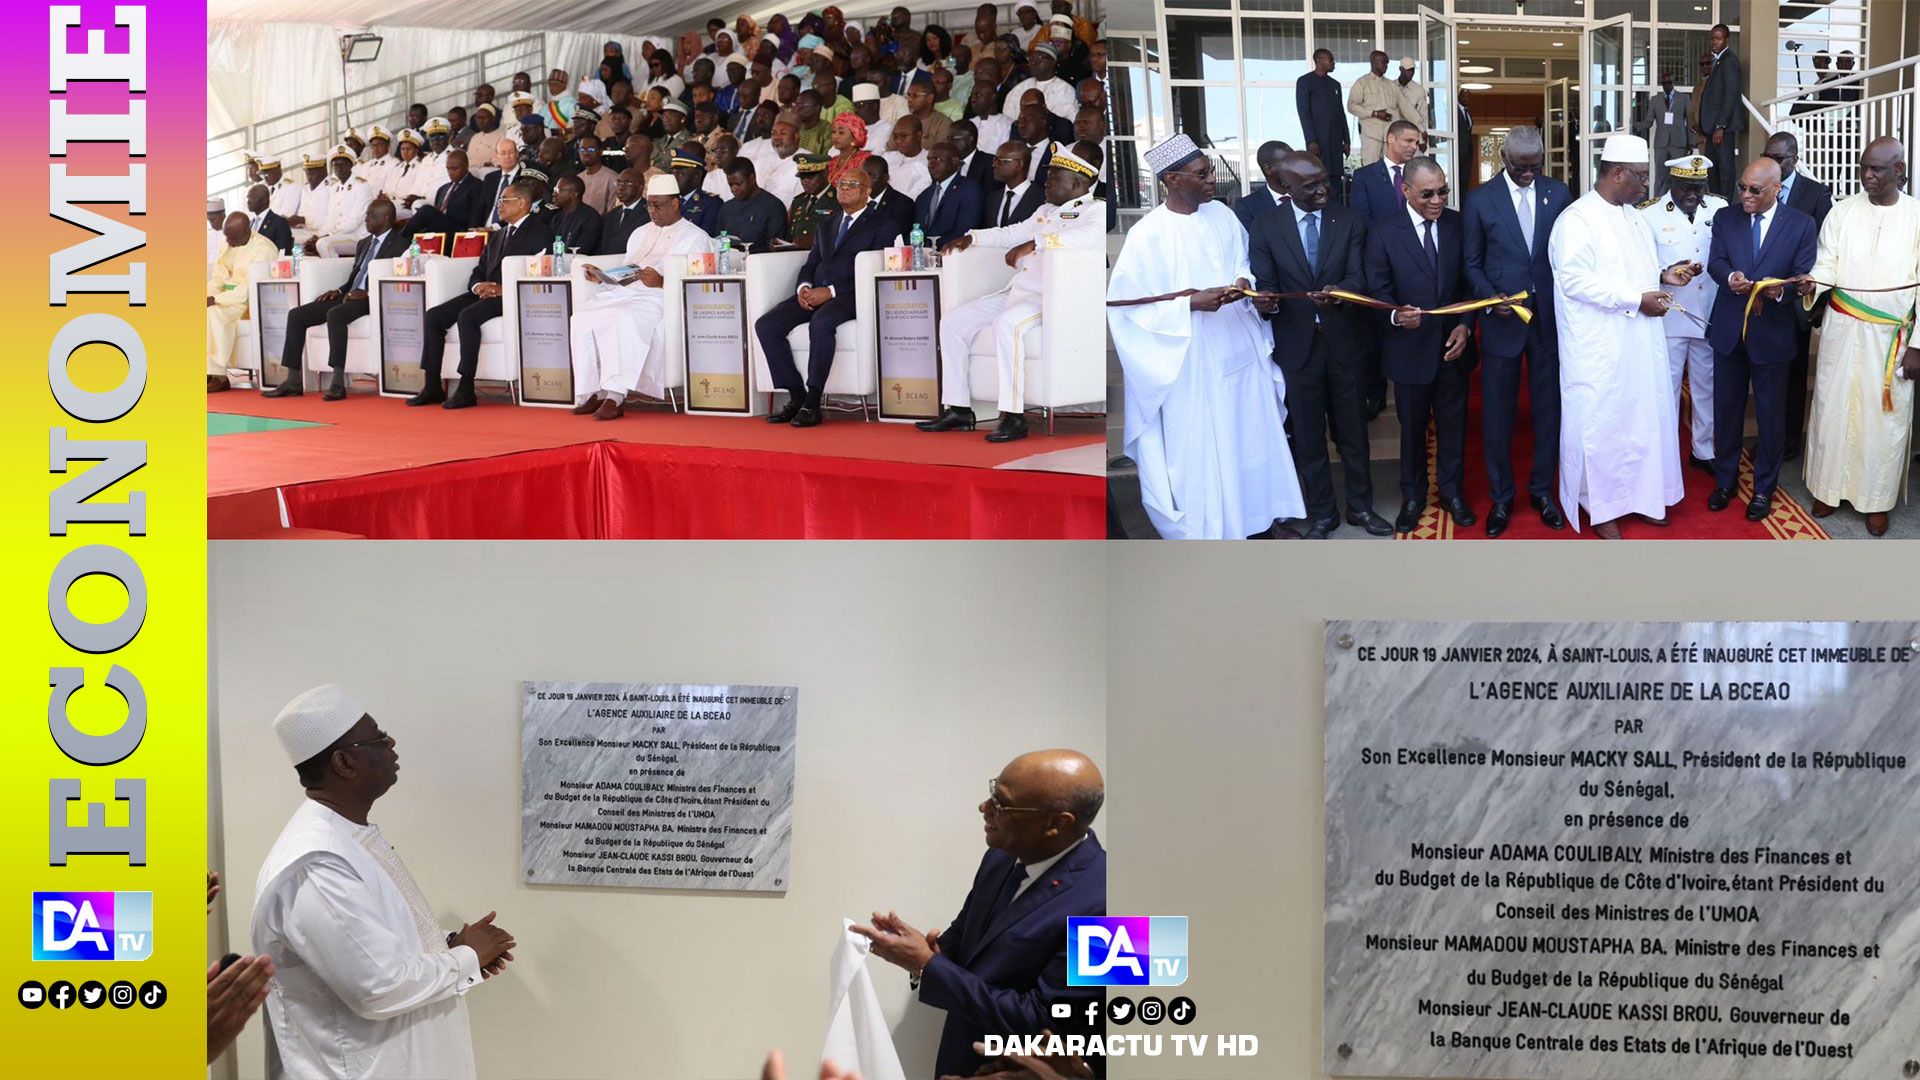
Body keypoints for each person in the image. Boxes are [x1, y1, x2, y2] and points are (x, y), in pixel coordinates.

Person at [251, 685, 517, 1080]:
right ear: (343, 762)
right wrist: (466, 958)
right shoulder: (315, 862)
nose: (391, 744)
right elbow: (376, 987)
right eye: (377, 737)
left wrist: (447, 945)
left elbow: (370, 944)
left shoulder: (347, 837)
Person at [851, 750, 1106, 1080]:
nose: (984, 808)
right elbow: (964, 944)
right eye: (992, 793)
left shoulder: (1117, 908)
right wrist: (928, 955)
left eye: (1001, 803)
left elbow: (1045, 1022)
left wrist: (928, 965)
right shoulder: (1000, 859)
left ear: (1057, 824)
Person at [1109, 133, 1304, 539]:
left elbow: (1243, 262)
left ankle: (1261, 520)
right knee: (1207, 447)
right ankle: (1217, 530)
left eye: (1210, 169)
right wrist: (1191, 304)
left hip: (1239, 344)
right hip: (1190, 361)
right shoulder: (1147, 234)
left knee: (1252, 436)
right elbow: (1126, 309)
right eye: (1201, 174)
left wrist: (1241, 281)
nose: (1212, 179)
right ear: (1172, 179)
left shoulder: (1223, 215)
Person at [1548, 134, 1692, 538]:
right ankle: (1600, 506)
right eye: (1642, 177)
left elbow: (1632, 269)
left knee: (1642, 418)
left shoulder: (1634, 217)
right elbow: (1574, 281)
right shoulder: (1577, 220)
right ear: (1615, 174)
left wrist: (1663, 276)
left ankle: (1643, 497)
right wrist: (1634, 300)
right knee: (1602, 423)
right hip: (1600, 345)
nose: (1647, 185)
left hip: (1640, 342)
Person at [1247, 151, 1390, 538]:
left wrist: (1343, 291)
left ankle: (1361, 508)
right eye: (1309, 186)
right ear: (1285, 186)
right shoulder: (1265, 227)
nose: (1322, 189)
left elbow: (1361, 274)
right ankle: (1323, 513)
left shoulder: (1350, 220)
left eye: (1323, 179)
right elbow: (1265, 282)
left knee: (1353, 434)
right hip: (1297, 349)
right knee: (1309, 438)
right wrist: (1265, 303)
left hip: (1346, 343)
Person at [923, 142, 1104, 442]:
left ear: (1076, 182)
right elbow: (1011, 232)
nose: (1045, 183)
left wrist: (1038, 243)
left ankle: (1013, 416)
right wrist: (972, 238)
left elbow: (1087, 238)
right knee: (953, 321)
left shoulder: (1095, 210)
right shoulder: (1046, 211)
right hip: (1017, 292)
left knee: (1007, 325)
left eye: (1053, 178)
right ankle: (958, 407)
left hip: (1050, 298)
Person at [1802, 137, 1920, 536]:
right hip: (1843, 330)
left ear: (1899, 170)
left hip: (1891, 341)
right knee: (1832, 410)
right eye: (1863, 167)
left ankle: (1876, 500)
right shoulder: (1842, 212)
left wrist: (1918, 345)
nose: (1866, 176)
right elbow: (1826, 264)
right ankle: (1827, 489)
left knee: (1882, 420)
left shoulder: (1917, 217)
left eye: (1876, 169)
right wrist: (1812, 284)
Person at [1463, 126, 1570, 536]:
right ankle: (1502, 498)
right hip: (1502, 323)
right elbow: (1470, 263)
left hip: (1546, 322)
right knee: (1498, 416)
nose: (1529, 174)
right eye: (1521, 167)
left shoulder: (1558, 194)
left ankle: (1542, 492)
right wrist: (1492, 298)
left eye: (1535, 166)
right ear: (1504, 158)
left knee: (1548, 413)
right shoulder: (1479, 200)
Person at [1704, 157, 1818, 522]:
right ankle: (1725, 481)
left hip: (1772, 335)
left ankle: (1764, 489)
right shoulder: (1726, 217)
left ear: (1777, 190)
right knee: (1726, 412)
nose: (1745, 195)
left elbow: (1803, 274)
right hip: (1728, 332)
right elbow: (1715, 261)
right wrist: (1730, 276)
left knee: (1770, 419)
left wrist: (1780, 292)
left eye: (1755, 190)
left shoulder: (1801, 224)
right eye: (1742, 187)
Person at [1365, 156, 1475, 533]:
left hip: (1452, 347)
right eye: (1427, 193)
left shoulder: (1460, 224)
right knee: (1411, 431)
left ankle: (1452, 493)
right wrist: (1395, 315)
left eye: (1443, 190)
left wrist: (1465, 326)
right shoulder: (1382, 232)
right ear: (1406, 190)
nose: (1437, 200)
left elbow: (1470, 284)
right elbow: (1377, 289)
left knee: (1453, 426)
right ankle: (1412, 497)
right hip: (1409, 349)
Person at [753, 165, 895, 427]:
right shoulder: (828, 222)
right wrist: (803, 287)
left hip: (851, 294)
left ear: (867, 192)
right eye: (841, 184)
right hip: (815, 291)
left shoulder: (882, 223)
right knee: (767, 324)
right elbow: (811, 261)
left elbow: (875, 269)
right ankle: (796, 395)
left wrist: (829, 292)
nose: (843, 189)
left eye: (852, 185)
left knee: (822, 322)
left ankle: (813, 401)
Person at [568, 174, 713, 420]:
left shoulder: (695, 236)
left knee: (622, 318)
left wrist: (662, 281)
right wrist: (603, 277)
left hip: (658, 298)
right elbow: (627, 269)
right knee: (581, 317)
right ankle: (593, 391)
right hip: (624, 292)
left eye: (658, 205)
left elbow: (697, 280)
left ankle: (615, 396)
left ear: (675, 203)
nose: (652, 211)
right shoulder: (640, 232)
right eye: (649, 204)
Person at [411, 181, 556, 409]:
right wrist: (478, 286)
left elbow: (539, 272)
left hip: (512, 296)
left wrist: (503, 289)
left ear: (522, 203)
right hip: (484, 292)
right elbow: (478, 270)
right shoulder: (498, 235)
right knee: (433, 316)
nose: (499, 205)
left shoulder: (541, 233)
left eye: (504, 200)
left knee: (467, 317)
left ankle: (467, 387)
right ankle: (432, 386)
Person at [267, 198, 415, 401]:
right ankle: (293, 379)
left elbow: (396, 281)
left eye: (371, 216)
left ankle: (337, 382)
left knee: (335, 314)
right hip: (350, 295)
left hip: (373, 299)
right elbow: (354, 278)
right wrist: (337, 290)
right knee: (296, 315)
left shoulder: (401, 245)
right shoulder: (364, 244)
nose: (366, 220)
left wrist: (369, 293)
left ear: (386, 217)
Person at [1638, 154, 1726, 477]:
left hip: (1706, 315)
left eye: (1698, 187)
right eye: (1686, 187)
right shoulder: (1648, 215)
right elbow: (1639, 264)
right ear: (1671, 182)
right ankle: (1664, 454)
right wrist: (1664, 273)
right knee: (1667, 388)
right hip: (1670, 316)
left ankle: (1702, 450)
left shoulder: (1717, 209)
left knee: (1706, 386)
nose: (1693, 194)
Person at [1762, 129, 1833, 460]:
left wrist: (1818, 300)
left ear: (1794, 159)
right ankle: (1767, 438)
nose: (1772, 164)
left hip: (1798, 302)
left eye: (1778, 159)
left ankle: (1790, 440)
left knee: (1793, 376)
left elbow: (1826, 250)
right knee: (1766, 372)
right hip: (1763, 297)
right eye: (1768, 157)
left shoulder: (1816, 194)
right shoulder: (1759, 188)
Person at [206, 212, 278, 393]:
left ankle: (219, 376)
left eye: (231, 237)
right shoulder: (229, 242)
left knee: (213, 313)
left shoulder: (264, 248)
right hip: (225, 296)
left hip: (248, 302)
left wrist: (215, 299)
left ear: (246, 232)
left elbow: (248, 288)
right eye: (226, 236)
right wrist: (212, 294)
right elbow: (218, 275)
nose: (227, 241)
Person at [1700, 24, 1744, 198]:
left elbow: (1730, 95)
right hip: (1712, 128)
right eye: (1712, 38)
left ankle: (1725, 204)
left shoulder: (1729, 60)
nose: (1714, 42)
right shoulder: (1718, 61)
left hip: (1722, 129)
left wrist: (1720, 126)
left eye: (1718, 38)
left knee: (1725, 170)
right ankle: (1716, 203)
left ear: (1727, 40)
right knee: (1713, 169)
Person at [913, 141, 984, 247]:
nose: (931, 165)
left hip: (954, 256)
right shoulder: (924, 196)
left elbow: (965, 232)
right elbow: (917, 230)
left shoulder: (970, 190)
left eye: (937, 159)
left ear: (954, 161)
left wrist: (933, 249)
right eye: (929, 159)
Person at [308, 146, 374, 256]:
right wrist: (318, 234)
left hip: (358, 237)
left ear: (351, 165)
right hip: (339, 235)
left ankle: (335, 272)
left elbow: (354, 222)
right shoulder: (334, 187)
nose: (338, 168)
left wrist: (329, 235)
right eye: (335, 165)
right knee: (309, 243)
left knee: (324, 244)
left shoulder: (362, 186)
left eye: (342, 164)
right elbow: (331, 219)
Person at [1351, 121, 1422, 223]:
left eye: (1416, 143)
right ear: (1391, 138)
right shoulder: (1364, 176)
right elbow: (1361, 219)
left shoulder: (1420, 175)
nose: (1414, 147)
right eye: (1409, 141)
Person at [1295, 49, 1347, 189]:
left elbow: (1341, 114)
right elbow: (1303, 112)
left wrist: (1346, 141)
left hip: (1336, 141)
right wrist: (1311, 140)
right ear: (1319, 61)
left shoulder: (1335, 84)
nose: (1334, 63)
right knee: (1319, 177)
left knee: (1336, 178)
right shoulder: (1305, 82)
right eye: (1330, 60)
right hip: (1318, 141)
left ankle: (1336, 211)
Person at [1636, 73, 1693, 197]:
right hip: (1661, 143)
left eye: (1669, 83)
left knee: (1679, 175)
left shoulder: (1684, 98)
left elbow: (1690, 121)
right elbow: (1648, 121)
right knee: (1660, 175)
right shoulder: (1655, 100)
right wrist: (1634, 127)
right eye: (1664, 83)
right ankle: (1658, 202)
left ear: (1673, 83)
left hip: (1679, 143)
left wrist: (1691, 143)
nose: (1666, 85)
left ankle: (1679, 200)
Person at [718, 157, 788, 251]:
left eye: (739, 184)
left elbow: (775, 247)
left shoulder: (773, 206)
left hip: (760, 262)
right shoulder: (726, 208)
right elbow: (718, 241)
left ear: (752, 178)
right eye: (730, 185)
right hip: (729, 261)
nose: (734, 189)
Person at [1347, 51, 1402, 167]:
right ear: (1373, 62)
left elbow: (1405, 108)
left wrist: (1420, 128)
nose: (1386, 66)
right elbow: (1351, 106)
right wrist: (1375, 113)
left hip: (1389, 138)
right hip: (1371, 136)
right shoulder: (1362, 83)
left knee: (1390, 171)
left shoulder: (1391, 86)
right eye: (1383, 62)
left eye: (1387, 63)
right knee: (1370, 171)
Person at [1234, 140, 1293, 232]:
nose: (1296, 166)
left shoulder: (1307, 195)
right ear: (1268, 169)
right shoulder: (1247, 207)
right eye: (1288, 163)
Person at [985, 141, 1044, 228]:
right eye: (994, 160)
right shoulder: (992, 198)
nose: (994, 165)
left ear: (1018, 164)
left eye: (1000, 161)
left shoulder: (1041, 199)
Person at [782, 152, 835, 245]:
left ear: (825, 173)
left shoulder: (839, 199)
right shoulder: (798, 201)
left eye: (810, 177)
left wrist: (815, 241)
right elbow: (789, 236)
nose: (805, 182)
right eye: (802, 177)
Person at [861, 155, 917, 240]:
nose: (867, 180)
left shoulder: (902, 204)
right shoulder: (856, 200)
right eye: (864, 176)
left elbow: (898, 237)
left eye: (873, 176)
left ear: (885, 178)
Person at [547, 174, 603, 254]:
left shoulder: (590, 218)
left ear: (574, 194)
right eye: (554, 189)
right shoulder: (557, 217)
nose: (554, 194)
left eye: (559, 190)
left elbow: (583, 251)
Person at [671, 147, 722, 234]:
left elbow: (705, 238)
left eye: (680, 174)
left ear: (696, 176)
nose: (675, 178)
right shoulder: (667, 202)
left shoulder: (711, 203)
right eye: (673, 173)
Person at [245, 182, 295, 255]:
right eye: (248, 197)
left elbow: (283, 253)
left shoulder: (279, 223)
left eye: (252, 197)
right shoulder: (250, 223)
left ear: (265, 200)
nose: (248, 201)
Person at [1394, 57, 1426, 137]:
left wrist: (1421, 139)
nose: (1411, 73)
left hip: (1411, 134)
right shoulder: (1391, 87)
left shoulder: (1419, 90)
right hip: (1394, 133)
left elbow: (1423, 115)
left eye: (1413, 70)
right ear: (1400, 69)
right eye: (1408, 70)